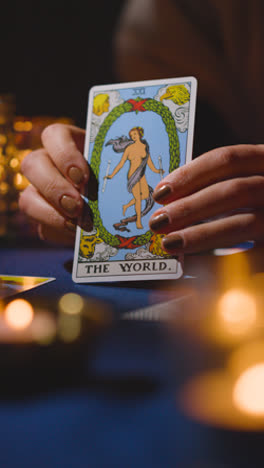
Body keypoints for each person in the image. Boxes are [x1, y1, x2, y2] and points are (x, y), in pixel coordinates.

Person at [19, 0, 264, 253]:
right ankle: (132, 219)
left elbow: (153, 164)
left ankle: (133, 218)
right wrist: (88, 176)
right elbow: (147, 159)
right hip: (137, 185)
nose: (135, 133)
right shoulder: (151, 28)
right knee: (136, 200)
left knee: (139, 199)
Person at [105, 126, 162, 229]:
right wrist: (112, 175)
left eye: (135, 134)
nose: (133, 137)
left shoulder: (145, 147)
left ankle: (126, 206)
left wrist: (157, 171)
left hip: (141, 174)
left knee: (145, 195)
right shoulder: (129, 148)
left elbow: (149, 162)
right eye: (131, 136)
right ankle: (138, 222)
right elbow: (121, 163)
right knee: (138, 198)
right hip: (132, 175)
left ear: (140, 134)